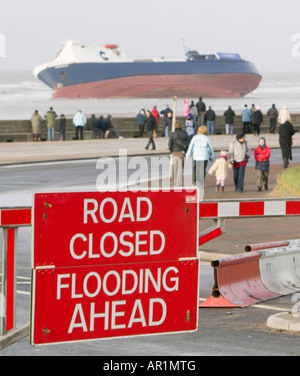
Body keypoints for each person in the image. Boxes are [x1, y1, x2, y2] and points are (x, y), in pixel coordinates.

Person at [168, 120, 189, 187]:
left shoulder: (172, 134)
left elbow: (170, 144)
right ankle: (179, 183)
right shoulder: (184, 133)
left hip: (174, 152)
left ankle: (173, 182)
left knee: (174, 169)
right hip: (181, 153)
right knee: (180, 169)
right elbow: (187, 143)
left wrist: (171, 151)